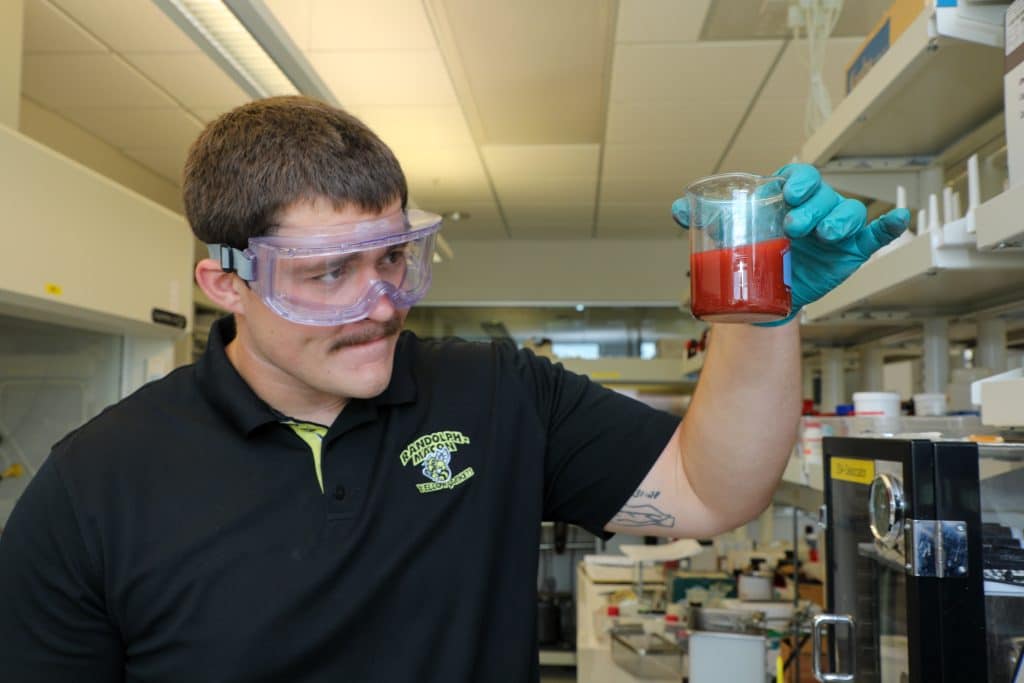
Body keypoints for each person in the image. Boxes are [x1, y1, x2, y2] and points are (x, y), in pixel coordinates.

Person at [0, 95, 908, 682]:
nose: (381, 304)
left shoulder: (494, 393)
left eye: (396, 256)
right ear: (227, 284)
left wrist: (762, 313)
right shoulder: (92, 487)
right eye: (327, 275)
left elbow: (716, 490)